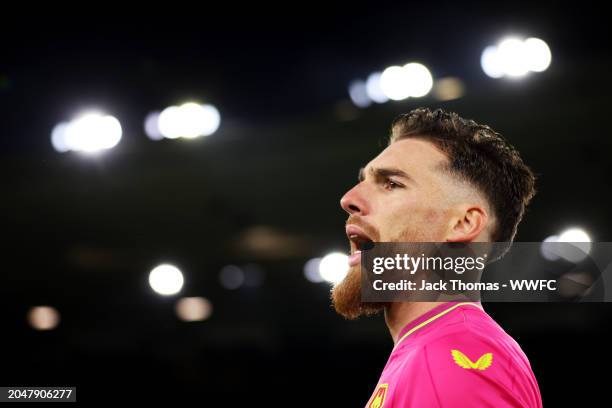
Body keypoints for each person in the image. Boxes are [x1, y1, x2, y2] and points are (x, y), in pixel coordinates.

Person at [333, 107, 542, 407]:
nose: (349, 199)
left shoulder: (456, 360)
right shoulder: (429, 352)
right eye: (363, 180)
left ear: (463, 224)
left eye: (391, 183)